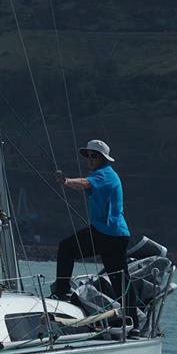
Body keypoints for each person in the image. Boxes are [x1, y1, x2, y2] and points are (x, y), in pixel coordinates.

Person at [54, 139, 138, 330]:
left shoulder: (105, 174)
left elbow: (84, 183)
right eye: (88, 156)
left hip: (107, 233)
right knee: (119, 279)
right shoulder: (103, 175)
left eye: (94, 156)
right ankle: (134, 324)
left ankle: (61, 293)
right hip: (116, 235)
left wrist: (66, 181)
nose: (90, 159)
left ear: (103, 158)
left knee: (66, 248)